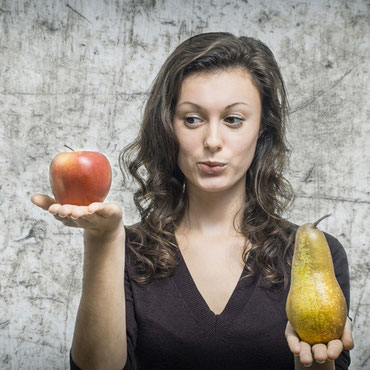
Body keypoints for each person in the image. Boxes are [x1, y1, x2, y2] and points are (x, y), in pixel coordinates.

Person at [31, 32, 354, 369]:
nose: (212, 141)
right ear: (168, 127)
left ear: (262, 129)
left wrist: (314, 359)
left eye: (233, 120)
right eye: (192, 119)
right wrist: (103, 238)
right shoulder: (126, 252)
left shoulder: (317, 256)